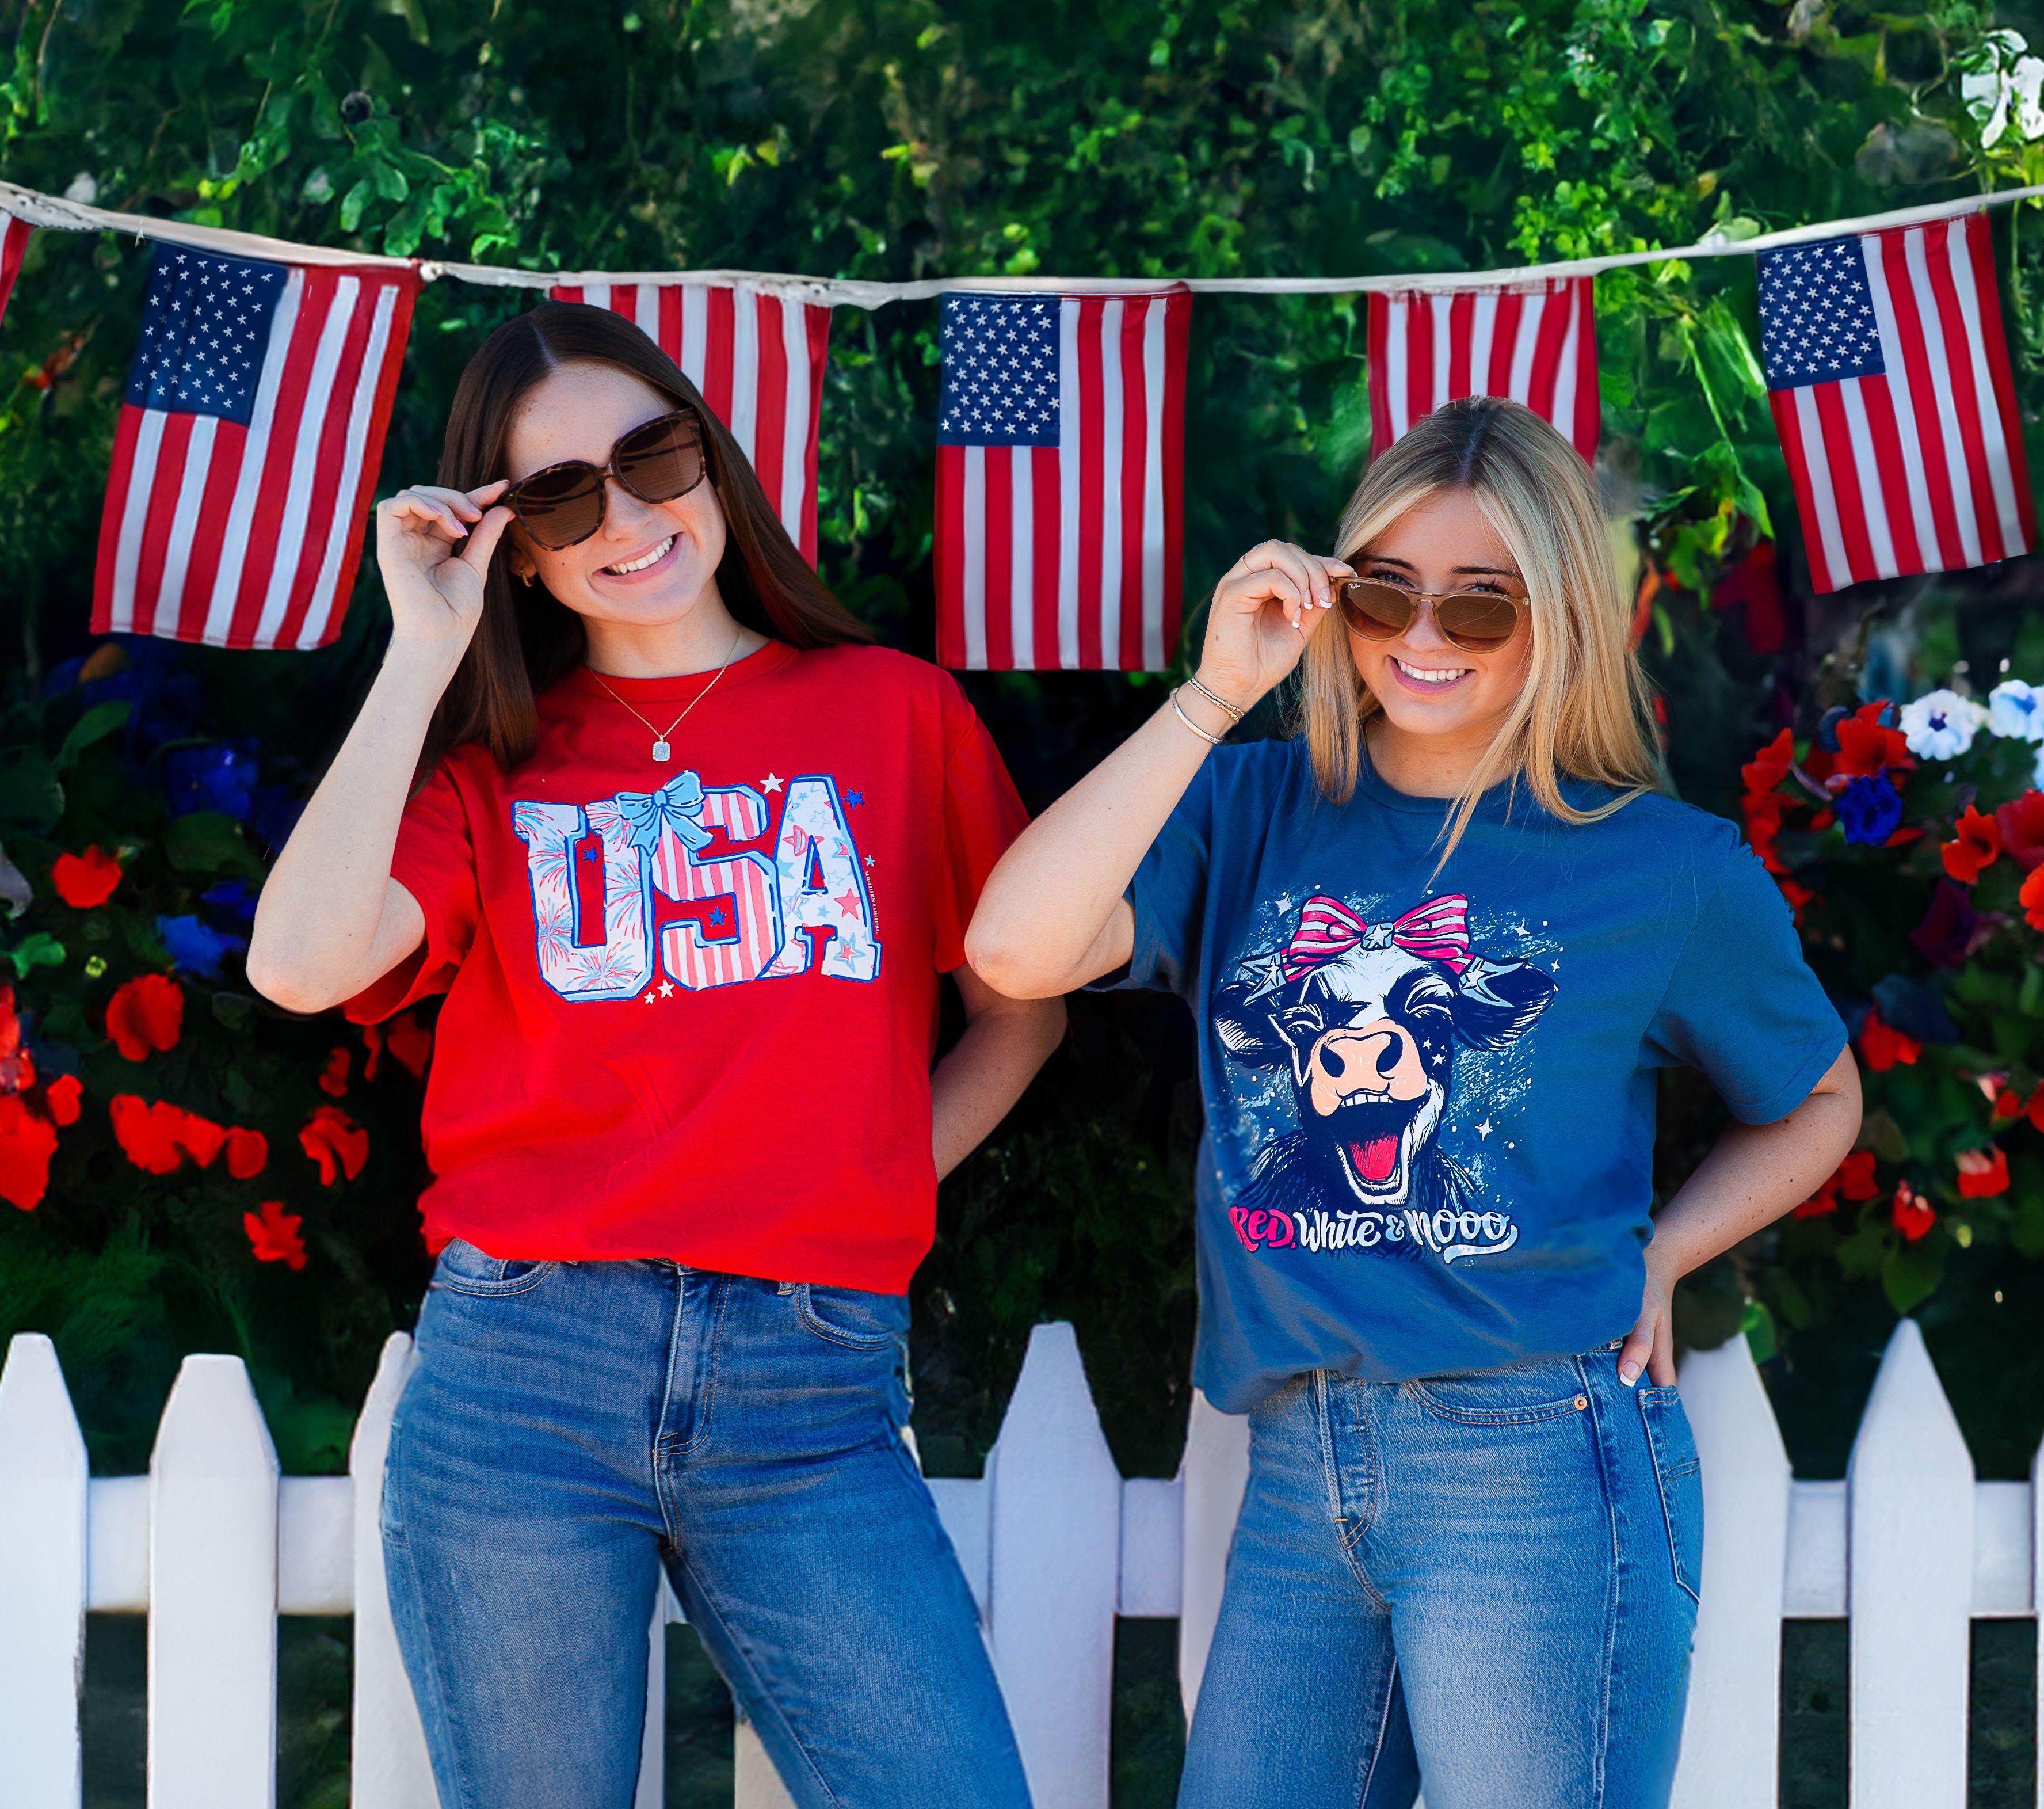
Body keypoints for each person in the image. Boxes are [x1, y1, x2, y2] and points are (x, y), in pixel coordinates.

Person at [965, 395, 1860, 1809]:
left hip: (1537, 1464)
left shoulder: (1662, 868)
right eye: (1387, 591)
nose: (1423, 638)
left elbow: (1817, 1098)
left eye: (1482, 607)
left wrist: (1668, 1253)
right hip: (1300, 1464)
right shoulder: (1250, 805)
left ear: (1558, 612)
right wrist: (1210, 698)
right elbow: (1012, 950)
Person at [247, 301, 1061, 1809]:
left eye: (651, 454)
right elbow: (298, 967)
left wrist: (871, 1169)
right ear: (519, 547)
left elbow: (1024, 1009)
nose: (625, 515)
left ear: (710, 452)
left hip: (809, 1384)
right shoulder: (495, 767)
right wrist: (423, 651)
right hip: (526, 1373)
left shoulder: (894, 714)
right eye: (559, 497)